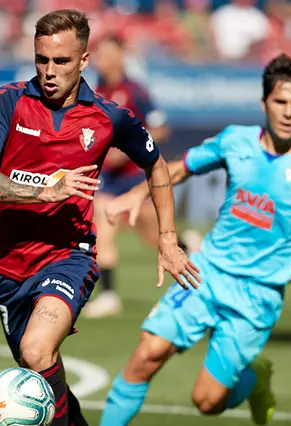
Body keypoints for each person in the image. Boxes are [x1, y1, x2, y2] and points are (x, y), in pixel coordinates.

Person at [0, 9, 200, 426]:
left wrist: (168, 238)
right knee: (41, 370)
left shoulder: (109, 116)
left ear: (84, 60)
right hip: (9, 267)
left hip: (69, 257)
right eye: (42, 60)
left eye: (62, 61)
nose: (49, 71)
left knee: (36, 351)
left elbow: (157, 165)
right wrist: (45, 190)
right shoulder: (7, 102)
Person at [98, 54, 291, 426]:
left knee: (207, 401)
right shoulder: (235, 140)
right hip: (205, 272)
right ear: (264, 103)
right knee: (147, 353)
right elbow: (179, 168)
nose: (288, 112)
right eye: (280, 101)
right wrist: (137, 193)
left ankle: (255, 378)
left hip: (258, 295)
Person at [84, 34, 202, 319]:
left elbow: (161, 129)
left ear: (120, 56)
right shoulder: (96, 90)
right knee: (103, 228)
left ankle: (190, 248)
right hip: (108, 178)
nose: (101, 59)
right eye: (98, 54)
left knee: (153, 236)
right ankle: (109, 295)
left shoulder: (134, 91)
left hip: (136, 176)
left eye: (107, 53)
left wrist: (128, 150)